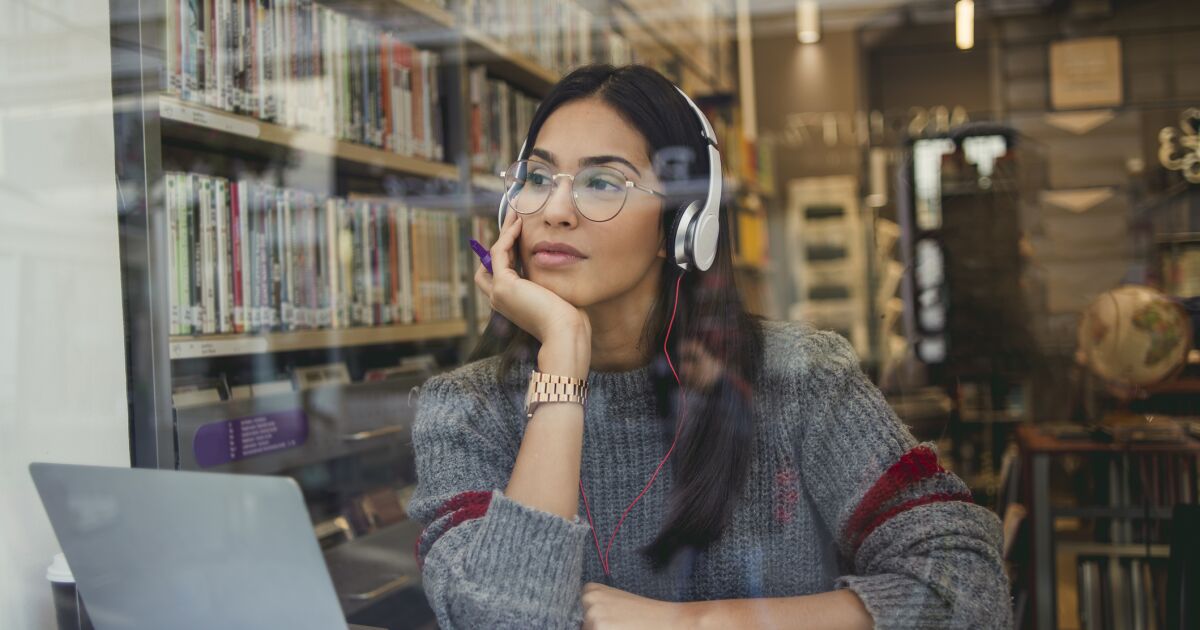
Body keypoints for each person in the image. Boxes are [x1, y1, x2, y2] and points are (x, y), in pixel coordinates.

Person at [407, 63, 1011, 630]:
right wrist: (563, 351)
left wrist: (695, 622)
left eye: (602, 182)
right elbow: (502, 622)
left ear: (684, 222)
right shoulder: (464, 410)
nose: (555, 209)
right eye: (538, 177)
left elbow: (968, 588)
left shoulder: (800, 379)